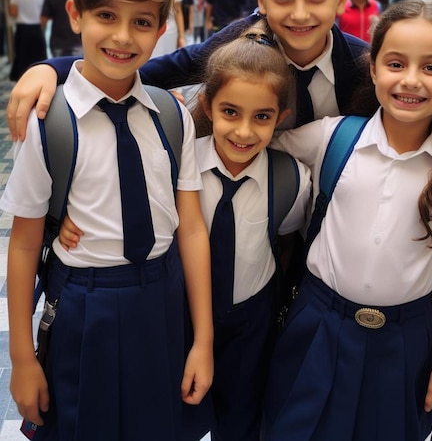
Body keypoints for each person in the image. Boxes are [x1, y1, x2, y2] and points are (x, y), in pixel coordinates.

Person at [0, 0, 213, 440]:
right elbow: (25, 243)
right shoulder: (49, 122)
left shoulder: (171, 115)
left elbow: (191, 231)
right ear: (75, 15)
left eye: (141, 22)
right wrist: (21, 358)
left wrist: (202, 338)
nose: (123, 36)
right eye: (106, 16)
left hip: (162, 301)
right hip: (84, 305)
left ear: (161, 29)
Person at [59, 23, 311, 441]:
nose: (244, 131)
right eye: (231, 112)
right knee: (172, 416)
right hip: (175, 317)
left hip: (252, 321)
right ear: (209, 106)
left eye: (262, 117)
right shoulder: (177, 161)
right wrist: (60, 221)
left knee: (241, 420)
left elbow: (286, 239)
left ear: (280, 118)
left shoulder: (292, 179)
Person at [263, 0, 432, 441]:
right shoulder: (332, 138)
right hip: (317, 322)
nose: (411, 80)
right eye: (396, 63)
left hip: (404, 341)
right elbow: (247, 141)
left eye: (431, 68)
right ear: (373, 69)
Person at [6, 0, 374, 141]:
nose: (298, 13)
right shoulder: (239, 43)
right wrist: (52, 69)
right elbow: (153, 70)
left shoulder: (363, 66)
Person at [8, 0, 47, 81]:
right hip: (37, 30)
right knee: (39, 61)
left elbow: (13, 12)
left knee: (23, 60)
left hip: (22, 30)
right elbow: (45, 16)